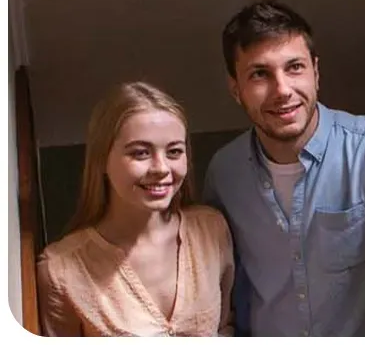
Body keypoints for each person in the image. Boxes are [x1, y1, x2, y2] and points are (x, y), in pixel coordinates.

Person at [203, 0, 365, 336]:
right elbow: (218, 282)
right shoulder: (223, 173)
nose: (282, 90)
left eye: (294, 67)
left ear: (315, 71)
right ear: (235, 89)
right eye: (259, 74)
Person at [36, 82, 235, 337]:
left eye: (174, 151)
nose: (161, 168)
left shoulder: (211, 229)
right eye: (140, 153)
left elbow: (225, 326)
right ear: (101, 159)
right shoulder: (61, 270)